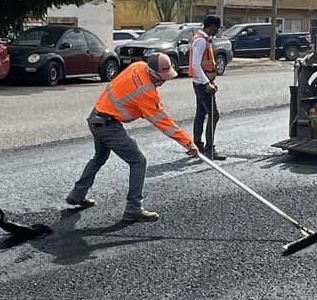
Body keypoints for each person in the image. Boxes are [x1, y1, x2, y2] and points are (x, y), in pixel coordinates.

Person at [66, 52, 199, 219]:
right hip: (108, 125)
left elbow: (127, 93)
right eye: (162, 77)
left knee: (99, 158)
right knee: (138, 161)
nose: (163, 81)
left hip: (96, 116)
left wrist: (141, 110)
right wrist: (188, 143)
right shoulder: (147, 92)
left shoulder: (138, 66)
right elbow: (164, 123)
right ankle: (133, 208)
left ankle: (77, 194)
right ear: (152, 73)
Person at [189, 15, 226, 160]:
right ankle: (209, 149)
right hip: (202, 84)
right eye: (217, 28)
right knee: (213, 115)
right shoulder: (200, 41)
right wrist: (206, 83)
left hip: (201, 82)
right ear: (211, 26)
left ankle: (197, 145)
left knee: (200, 114)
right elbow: (196, 65)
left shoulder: (203, 39)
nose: (217, 31)